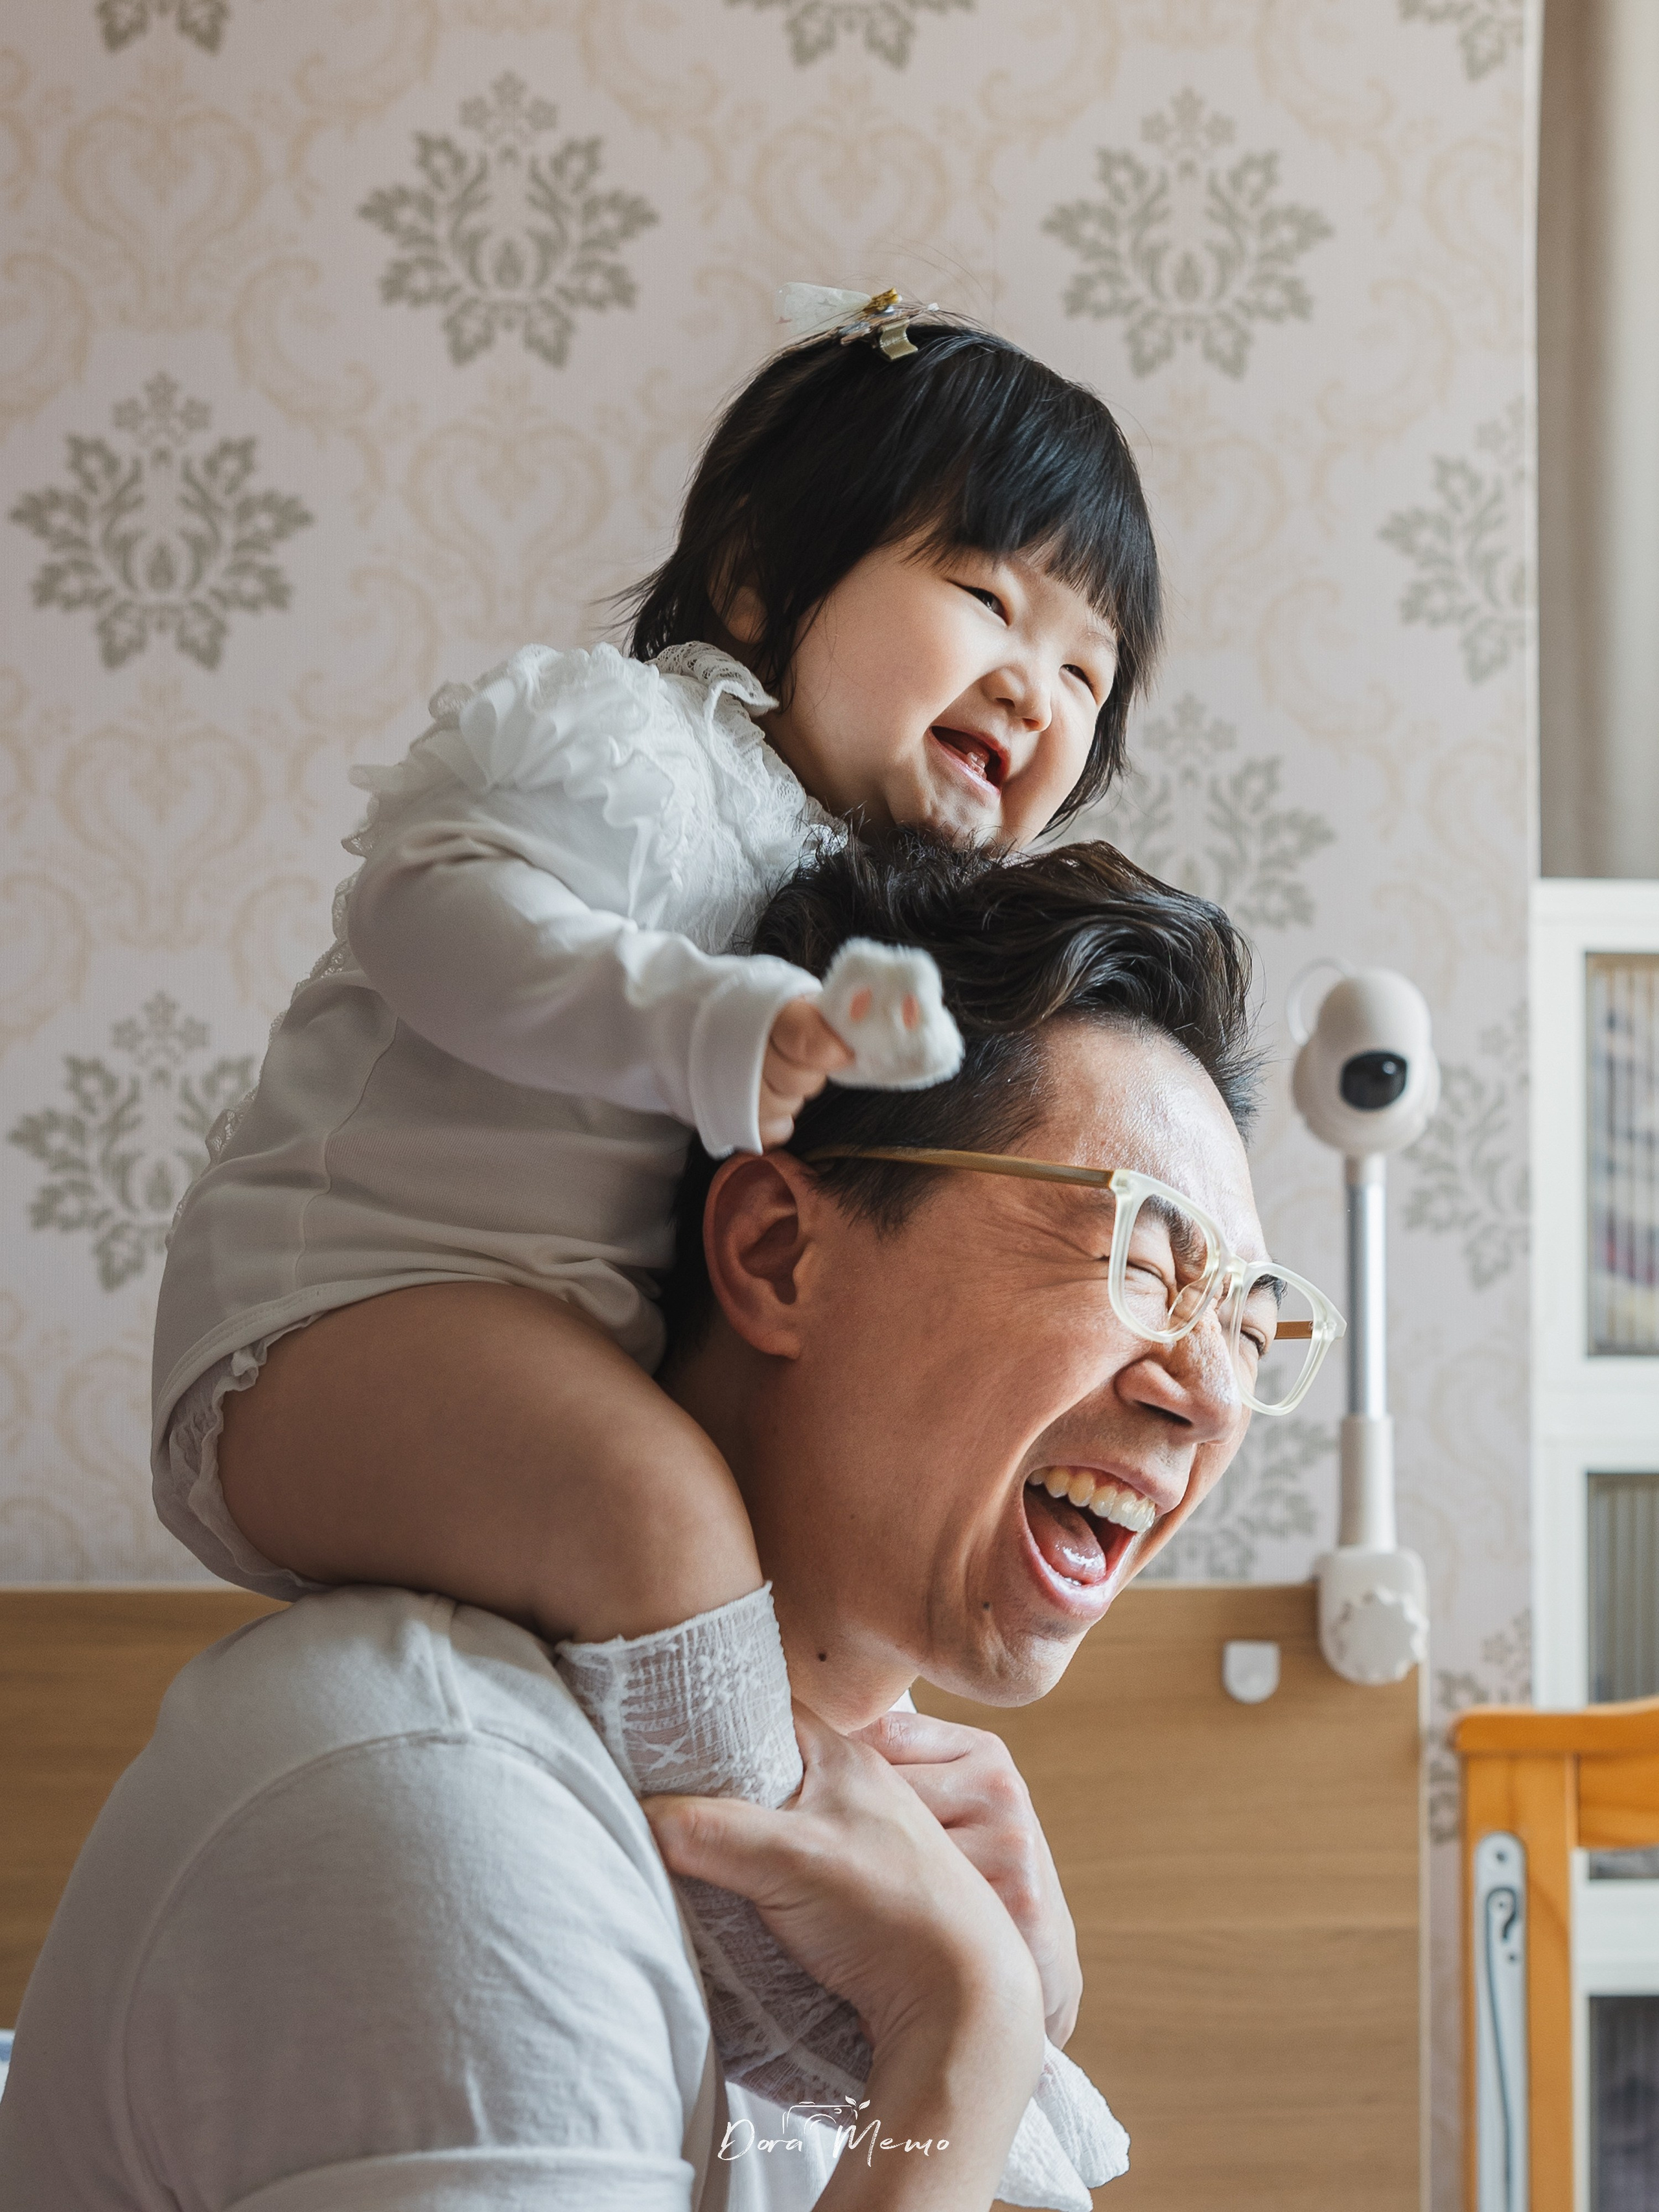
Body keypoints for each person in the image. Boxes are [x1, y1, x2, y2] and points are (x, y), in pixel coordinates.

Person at [0, 837, 1342, 2211]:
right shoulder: (450, 1817)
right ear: (776, 1253)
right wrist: (960, 2049)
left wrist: (961, 2018)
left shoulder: (853, 1904)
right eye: (1141, 1255)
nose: (1207, 1398)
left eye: (1245, 1319)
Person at [146, 296, 1163, 2107]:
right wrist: (705, 1016)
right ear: (763, 585)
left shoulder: (855, 924)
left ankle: (890, 1960)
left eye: (1093, 672)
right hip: (333, 1315)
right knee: (656, 1506)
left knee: (828, 1645)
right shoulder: (638, 754)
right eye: (994, 600)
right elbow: (427, 911)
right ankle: (793, 1992)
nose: (1041, 686)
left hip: (520, 1346)